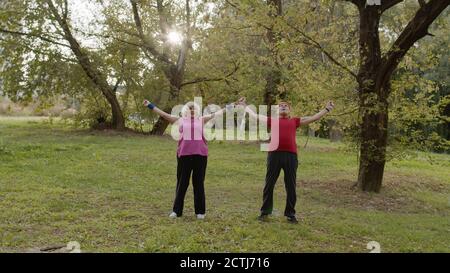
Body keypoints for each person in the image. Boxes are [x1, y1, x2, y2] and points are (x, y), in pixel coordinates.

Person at [239, 98, 335, 223]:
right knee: (269, 184)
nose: (283, 106)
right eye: (280, 106)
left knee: (291, 185)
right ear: (277, 110)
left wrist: (326, 109)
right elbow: (254, 115)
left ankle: (290, 214)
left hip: (291, 156)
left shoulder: (295, 121)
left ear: (289, 110)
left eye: (286, 106)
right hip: (274, 155)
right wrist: (245, 106)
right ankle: (265, 213)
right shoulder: (272, 121)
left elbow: (314, 117)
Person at [143, 99, 230, 219]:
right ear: (185, 110)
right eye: (190, 108)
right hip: (184, 155)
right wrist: (150, 105)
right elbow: (163, 114)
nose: (192, 110)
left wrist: (234, 105)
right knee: (182, 183)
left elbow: (219, 113)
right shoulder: (180, 120)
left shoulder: (202, 119)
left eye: (194, 108)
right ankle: (176, 211)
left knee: (198, 183)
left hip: (200, 156)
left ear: (197, 110)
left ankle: (200, 212)